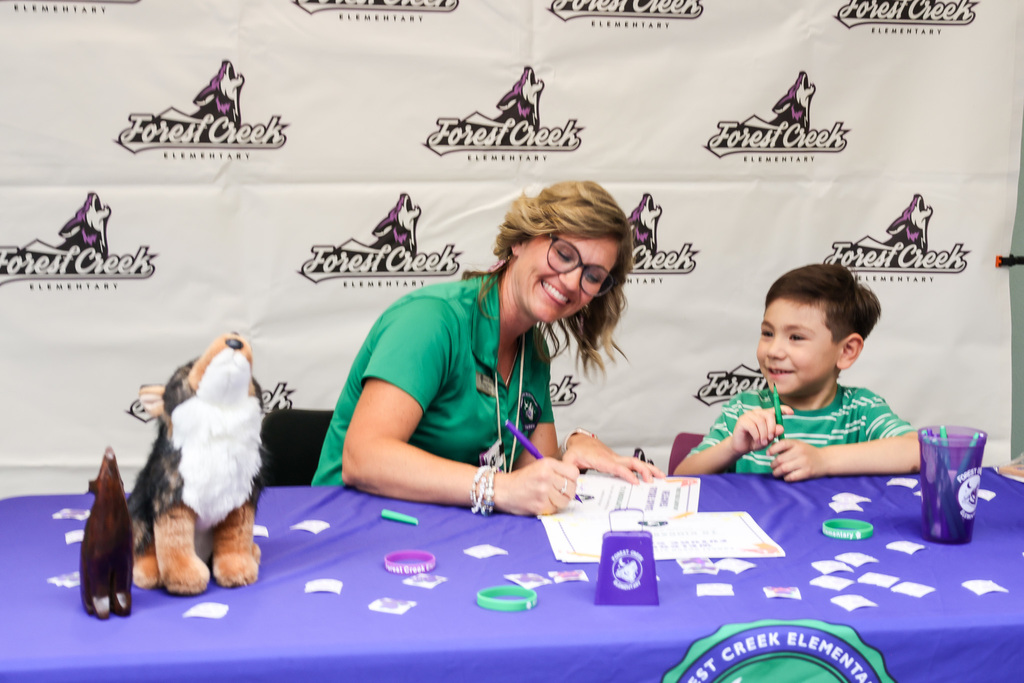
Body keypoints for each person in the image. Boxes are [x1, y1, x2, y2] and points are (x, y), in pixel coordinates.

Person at [313, 181, 663, 514]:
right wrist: (499, 488)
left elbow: (534, 476)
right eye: (564, 254)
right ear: (521, 241)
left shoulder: (533, 350)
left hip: (443, 535)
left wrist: (573, 449)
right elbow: (363, 458)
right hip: (352, 533)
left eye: (592, 276)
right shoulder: (431, 321)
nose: (572, 281)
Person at [675, 263, 918, 481]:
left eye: (796, 337)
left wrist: (823, 460)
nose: (774, 350)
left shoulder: (861, 411)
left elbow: (920, 451)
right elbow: (682, 476)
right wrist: (732, 448)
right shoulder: (744, 410)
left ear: (846, 351)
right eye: (768, 333)